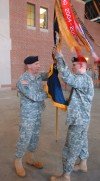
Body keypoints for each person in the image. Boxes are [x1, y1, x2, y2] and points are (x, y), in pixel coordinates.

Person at [50, 48, 94, 181]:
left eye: (74, 65)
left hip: (78, 121)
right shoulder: (85, 79)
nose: (72, 67)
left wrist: (59, 57)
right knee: (82, 142)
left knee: (70, 147)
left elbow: (67, 77)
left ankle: (66, 175)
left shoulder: (83, 79)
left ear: (81, 65)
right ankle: (82, 164)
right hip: (82, 119)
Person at [14, 56, 48, 177]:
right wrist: (49, 93)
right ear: (29, 66)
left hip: (38, 112)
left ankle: (30, 159)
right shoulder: (23, 80)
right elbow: (34, 96)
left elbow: (49, 74)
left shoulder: (38, 75)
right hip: (28, 115)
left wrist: (56, 65)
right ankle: (18, 161)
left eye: (39, 64)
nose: (39, 66)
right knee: (25, 137)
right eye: (37, 64)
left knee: (34, 137)